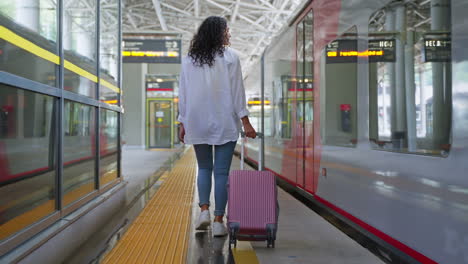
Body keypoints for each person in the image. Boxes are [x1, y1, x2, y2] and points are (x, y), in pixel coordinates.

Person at [177, 16, 256, 237]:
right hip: (224, 122)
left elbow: (182, 94)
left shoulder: (189, 59)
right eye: (226, 30)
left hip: (197, 122)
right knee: (221, 172)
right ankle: (219, 221)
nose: (229, 34)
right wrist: (246, 121)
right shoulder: (230, 58)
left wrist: (182, 122)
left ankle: (203, 211)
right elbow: (237, 92)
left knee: (204, 168)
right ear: (218, 32)